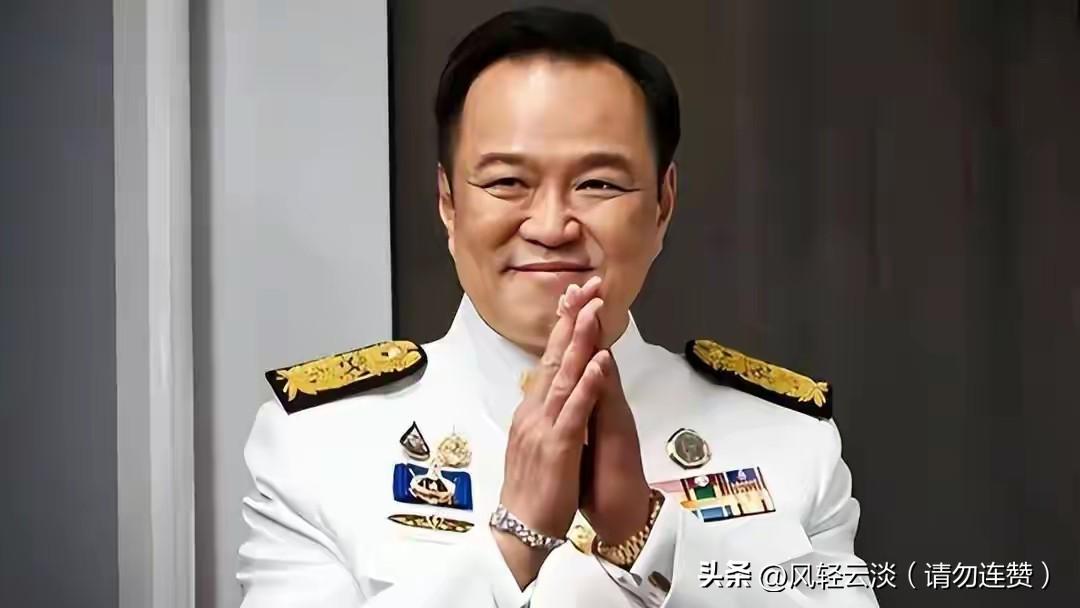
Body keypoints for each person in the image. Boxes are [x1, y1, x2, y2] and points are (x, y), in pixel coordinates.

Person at [238, 7, 878, 607]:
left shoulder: (789, 439)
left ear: (662, 205)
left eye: (597, 183)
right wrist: (510, 545)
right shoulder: (317, 445)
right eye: (506, 182)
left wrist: (648, 536)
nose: (550, 226)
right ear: (448, 203)